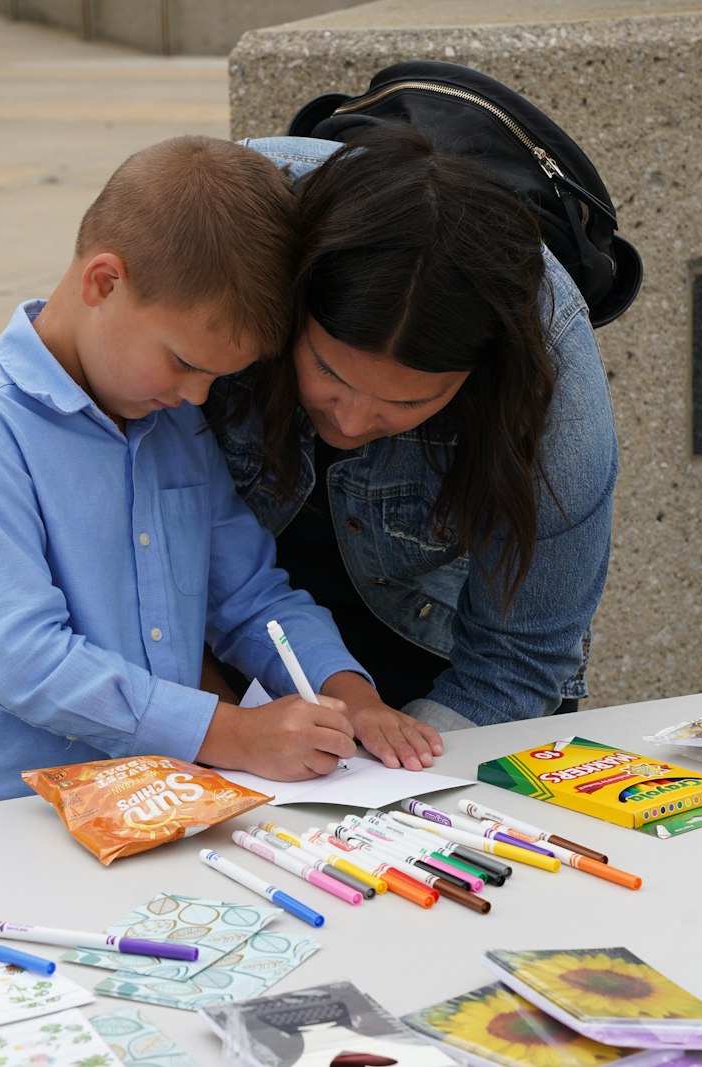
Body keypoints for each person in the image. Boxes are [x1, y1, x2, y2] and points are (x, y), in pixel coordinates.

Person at [0, 136, 442, 812]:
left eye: (217, 377)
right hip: (2, 821)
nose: (197, 396)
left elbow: (251, 595)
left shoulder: (173, 425)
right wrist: (233, 734)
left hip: (159, 807)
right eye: (184, 362)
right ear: (103, 282)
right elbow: (25, 660)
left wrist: (348, 694)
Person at [206, 126, 618, 730]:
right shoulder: (227, 241)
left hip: (434, 645)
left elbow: (520, 657)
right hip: (213, 639)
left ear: (480, 377)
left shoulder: (553, 382)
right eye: (327, 370)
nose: (347, 420)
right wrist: (211, 731)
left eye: (407, 402)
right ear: (290, 305)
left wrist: (410, 781)